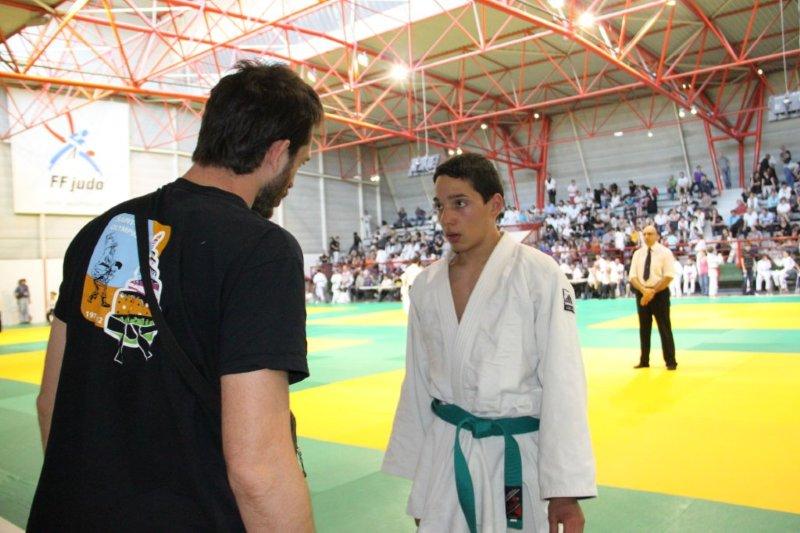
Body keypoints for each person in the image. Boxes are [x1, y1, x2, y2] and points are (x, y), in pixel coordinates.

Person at [29, 60, 321, 531]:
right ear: (278, 152)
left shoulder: (97, 233)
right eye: (300, 164)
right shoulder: (262, 250)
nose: (291, 180)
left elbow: (51, 403)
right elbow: (258, 468)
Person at [383, 153, 596, 532]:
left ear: (494, 205)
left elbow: (563, 381)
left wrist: (564, 491)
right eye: (440, 205)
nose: (446, 218)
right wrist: (422, 478)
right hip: (446, 457)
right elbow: (416, 382)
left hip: (516, 459)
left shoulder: (540, 275)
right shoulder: (426, 286)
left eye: (460, 203)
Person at [628, 225, 678, 370]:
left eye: (650, 234)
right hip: (642, 293)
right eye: (644, 234)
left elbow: (668, 276)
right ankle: (644, 360)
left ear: (657, 236)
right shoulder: (638, 253)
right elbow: (632, 276)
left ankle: (671, 361)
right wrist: (644, 290)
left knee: (664, 327)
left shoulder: (665, 252)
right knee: (644, 328)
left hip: (660, 294)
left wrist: (652, 292)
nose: (647, 236)